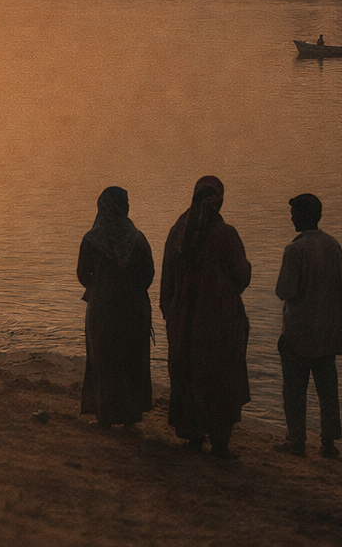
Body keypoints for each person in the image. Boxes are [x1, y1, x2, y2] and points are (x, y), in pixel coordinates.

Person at [160, 175, 252, 459]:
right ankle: (220, 440)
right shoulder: (225, 234)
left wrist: (171, 312)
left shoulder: (178, 231)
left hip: (184, 320)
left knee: (188, 372)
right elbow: (241, 276)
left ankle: (193, 433)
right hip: (219, 320)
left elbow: (166, 280)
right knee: (220, 374)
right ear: (219, 201)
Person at [273, 193, 342, 458]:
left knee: (295, 391)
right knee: (328, 391)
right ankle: (329, 443)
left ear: (303, 216)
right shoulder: (333, 245)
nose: (290, 216)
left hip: (299, 331)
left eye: (293, 212)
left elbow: (285, 290)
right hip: (327, 331)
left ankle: (296, 440)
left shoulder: (295, 249)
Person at [77, 186, 155, 429]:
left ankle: (105, 416)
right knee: (131, 359)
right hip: (134, 308)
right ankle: (131, 416)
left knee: (104, 360)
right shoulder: (138, 238)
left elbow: (82, 274)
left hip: (102, 309)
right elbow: (149, 274)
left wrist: (100, 287)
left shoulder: (91, 240)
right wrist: (130, 290)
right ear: (124, 207)